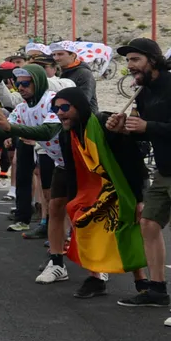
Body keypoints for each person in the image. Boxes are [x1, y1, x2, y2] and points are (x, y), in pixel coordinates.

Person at [0, 65, 75, 284]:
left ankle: (95, 265)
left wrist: (10, 129)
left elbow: (49, 130)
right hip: (60, 161)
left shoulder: (53, 100)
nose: (20, 88)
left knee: (81, 213)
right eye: (18, 84)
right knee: (55, 208)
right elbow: (6, 129)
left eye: (25, 83)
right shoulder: (23, 108)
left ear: (39, 82)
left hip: (79, 161)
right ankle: (57, 262)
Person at [52, 87, 148, 299]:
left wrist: (139, 197)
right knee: (83, 224)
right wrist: (74, 199)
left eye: (65, 107)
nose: (59, 113)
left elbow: (131, 160)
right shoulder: (67, 135)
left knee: (125, 231)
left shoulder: (105, 124)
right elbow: (72, 168)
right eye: (56, 108)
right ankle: (95, 278)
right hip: (91, 190)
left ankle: (141, 279)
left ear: (79, 107)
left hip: (119, 187)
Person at [106, 38, 171, 311]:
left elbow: (153, 128)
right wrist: (124, 131)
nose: (129, 66)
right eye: (128, 60)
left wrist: (148, 126)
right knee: (149, 224)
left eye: (135, 60)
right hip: (165, 170)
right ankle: (156, 290)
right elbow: (145, 140)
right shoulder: (142, 93)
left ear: (152, 60)